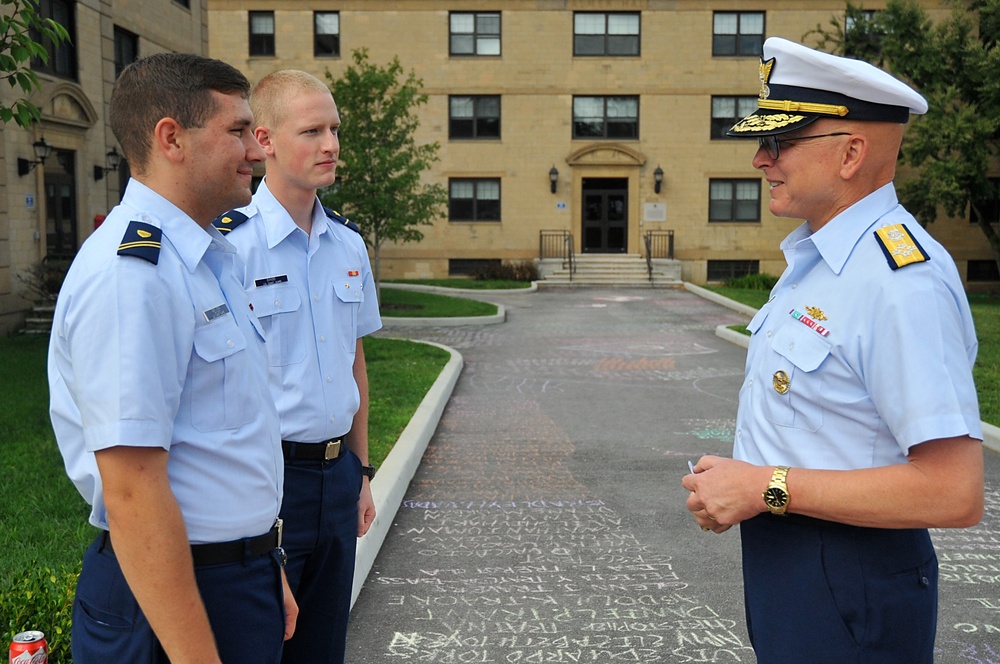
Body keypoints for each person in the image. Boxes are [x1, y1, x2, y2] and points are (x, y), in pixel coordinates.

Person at [682, 37, 985, 663]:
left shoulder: (900, 282)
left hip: (852, 576)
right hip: (795, 565)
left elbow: (953, 491)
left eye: (779, 142)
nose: (761, 160)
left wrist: (765, 487)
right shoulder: (819, 259)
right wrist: (740, 485)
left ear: (851, 153)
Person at [48, 53, 297, 664]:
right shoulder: (133, 276)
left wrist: (264, 561)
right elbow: (132, 490)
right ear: (171, 138)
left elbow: (226, 446)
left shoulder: (205, 259)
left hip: (233, 578)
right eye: (237, 130)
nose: (257, 151)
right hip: (171, 598)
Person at [213, 69, 381, 664]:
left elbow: (354, 361)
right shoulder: (230, 246)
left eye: (334, 129)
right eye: (312, 131)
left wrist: (361, 470)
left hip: (337, 479)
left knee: (323, 648)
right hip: (268, 481)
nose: (330, 144)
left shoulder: (348, 244)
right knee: (261, 646)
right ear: (264, 141)